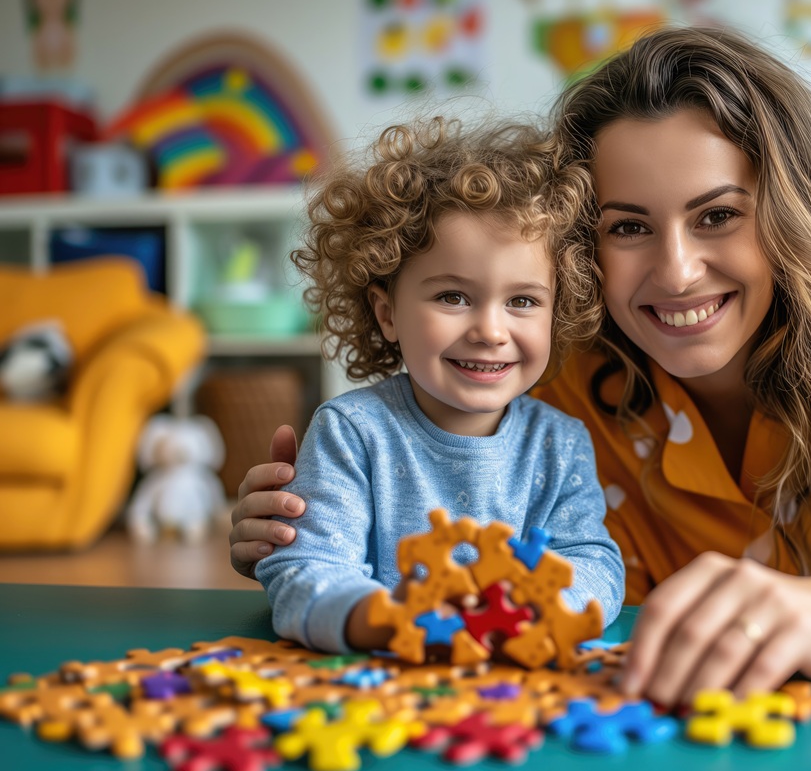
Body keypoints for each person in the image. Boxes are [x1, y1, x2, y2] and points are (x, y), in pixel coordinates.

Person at [231, 27, 811, 704]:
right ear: (578, 249)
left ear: (792, 211)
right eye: (628, 226)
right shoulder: (558, 365)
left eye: (719, 215)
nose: (678, 270)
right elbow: (473, 527)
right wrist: (310, 539)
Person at [250, 116, 624, 654]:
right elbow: (304, 571)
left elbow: (593, 563)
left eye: (522, 301)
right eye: (452, 297)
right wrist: (394, 620)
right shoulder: (352, 432)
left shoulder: (559, 444)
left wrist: (533, 613)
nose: (491, 331)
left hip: (513, 696)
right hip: (378, 693)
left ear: (556, 312)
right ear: (387, 314)